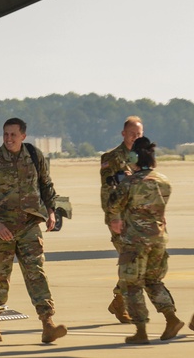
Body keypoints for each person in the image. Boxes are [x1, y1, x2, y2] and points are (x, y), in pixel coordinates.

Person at [0, 118, 67, 344]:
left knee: (36, 273)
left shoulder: (34, 157)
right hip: (1, 229)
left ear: (23, 136)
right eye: (5, 134)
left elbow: (46, 185)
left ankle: (47, 324)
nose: (8, 139)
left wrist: (51, 211)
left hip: (29, 226)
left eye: (13, 135)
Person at [108, 136, 184, 343]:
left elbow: (113, 206)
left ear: (134, 157)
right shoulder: (163, 181)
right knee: (153, 281)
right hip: (158, 239)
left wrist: (118, 185)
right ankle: (171, 318)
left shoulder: (130, 183)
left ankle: (141, 330)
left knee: (131, 285)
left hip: (135, 242)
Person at [100, 116, 143, 323]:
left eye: (139, 134)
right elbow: (108, 190)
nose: (135, 137)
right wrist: (114, 217)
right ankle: (121, 302)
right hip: (121, 219)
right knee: (130, 262)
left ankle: (119, 300)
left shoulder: (143, 157)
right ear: (123, 133)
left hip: (140, 220)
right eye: (132, 133)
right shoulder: (112, 158)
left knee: (137, 263)